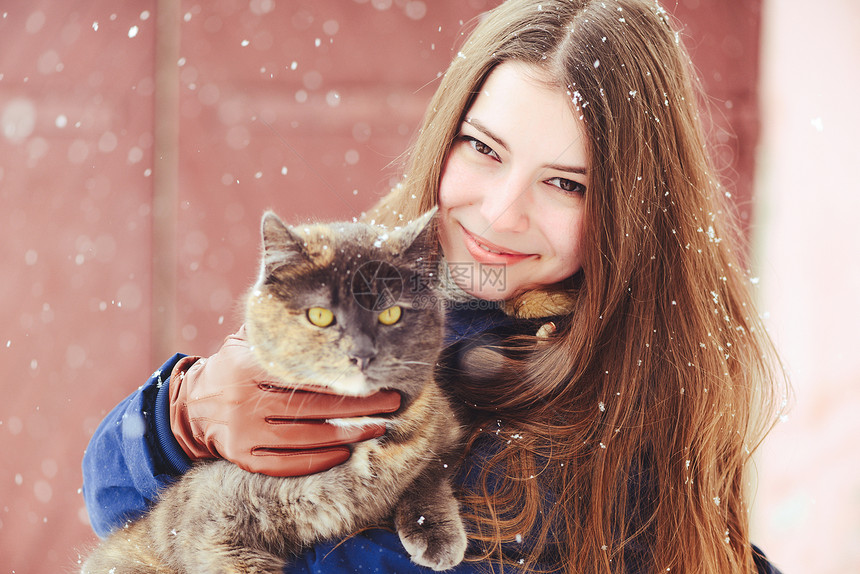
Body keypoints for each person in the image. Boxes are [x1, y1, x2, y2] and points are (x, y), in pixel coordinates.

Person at [82, 0, 787, 572]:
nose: (500, 211)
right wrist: (179, 415)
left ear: (630, 212)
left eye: (566, 183)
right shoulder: (376, 275)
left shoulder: (613, 410)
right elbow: (110, 499)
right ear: (446, 133)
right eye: (483, 148)